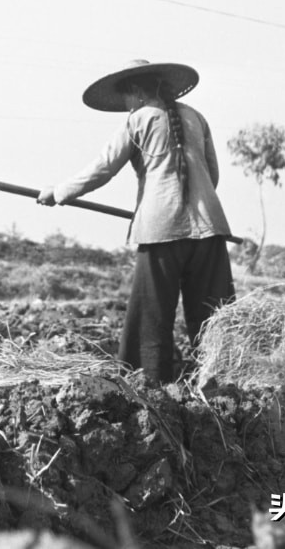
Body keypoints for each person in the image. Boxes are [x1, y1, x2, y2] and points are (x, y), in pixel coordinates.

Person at [38, 59, 237, 384]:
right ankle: (221, 380)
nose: (125, 106)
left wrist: (58, 192)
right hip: (211, 229)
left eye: (125, 99)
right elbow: (211, 175)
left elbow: (102, 169)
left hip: (161, 233)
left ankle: (150, 383)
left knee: (151, 315)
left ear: (135, 92)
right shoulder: (196, 117)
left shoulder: (138, 121)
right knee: (213, 314)